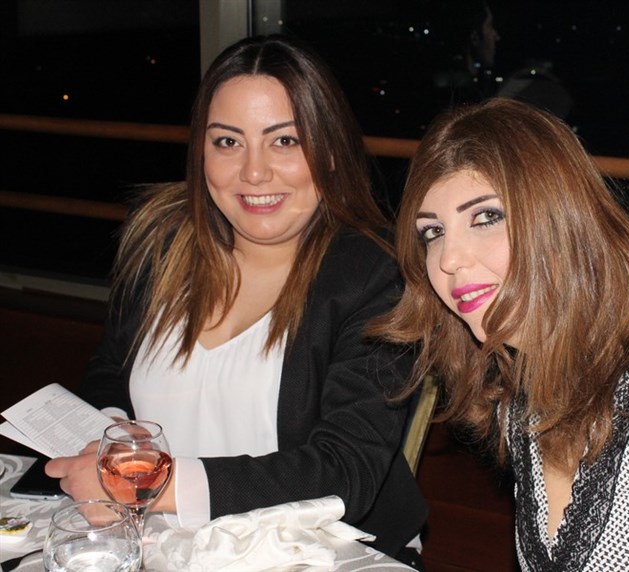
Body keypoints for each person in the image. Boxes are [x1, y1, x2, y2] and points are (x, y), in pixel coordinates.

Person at [45, 35, 427, 564]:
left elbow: (347, 470)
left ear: (331, 151)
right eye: (228, 141)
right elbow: (111, 367)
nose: (254, 172)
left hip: (320, 550)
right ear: (200, 151)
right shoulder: (163, 243)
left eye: (285, 141)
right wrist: (117, 435)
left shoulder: (375, 275)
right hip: (160, 539)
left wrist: (156, 483)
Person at [370, 98, 629, 570]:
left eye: (486, 217)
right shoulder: (515, 394)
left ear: (560, 218)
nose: (449, 259)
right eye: (433, 233)